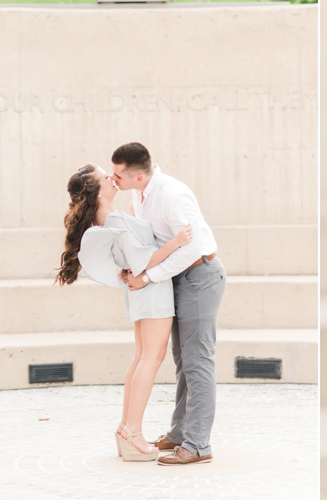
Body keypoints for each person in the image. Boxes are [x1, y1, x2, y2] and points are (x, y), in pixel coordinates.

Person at [55, 163, 192, 462]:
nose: (112, 178)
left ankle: (126, 429)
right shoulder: (115, 218)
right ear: (97, 190)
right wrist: (177, 243)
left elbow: (131, 256)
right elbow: (147, 259)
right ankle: (134, 432)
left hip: (142, 292)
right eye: (105, 177)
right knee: (151, 359)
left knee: (141, 357)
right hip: (152, 291)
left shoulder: (104, 217)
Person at [110, 142, 226, 467]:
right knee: (182, 360)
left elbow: (193, 248)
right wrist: (132, 268)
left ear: (139, 175)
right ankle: (178, 434)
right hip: (174, 278)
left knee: (197, 361)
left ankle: (198, 445)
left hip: (199, 275)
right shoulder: (138, 195)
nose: (113, 179)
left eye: (118, 174)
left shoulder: (173, 195)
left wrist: (147, 278)